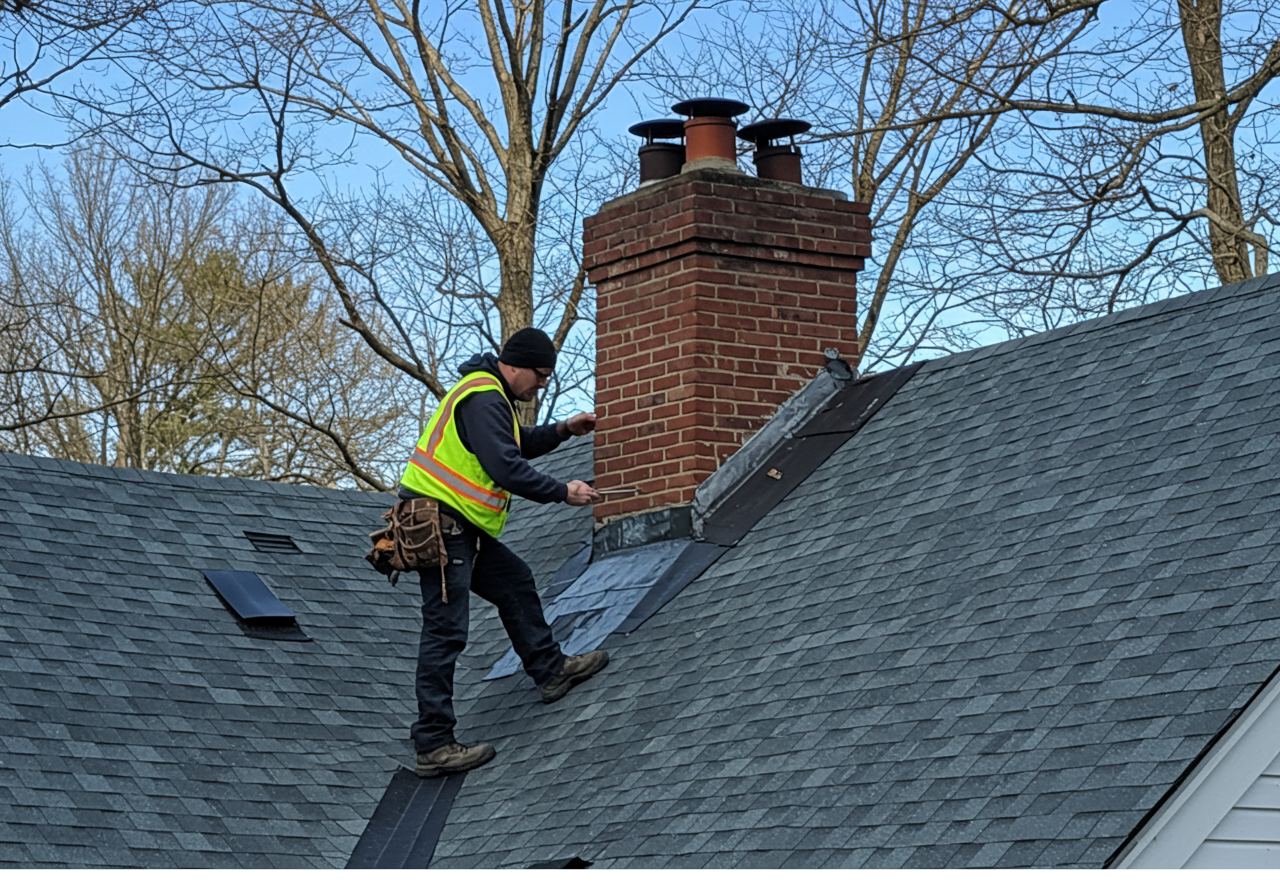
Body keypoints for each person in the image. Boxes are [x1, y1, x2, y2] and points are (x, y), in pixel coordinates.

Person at [398, 327, 607, 777]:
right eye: (541, 374)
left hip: (456, 527)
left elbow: (517, 443)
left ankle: (550, 670)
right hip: (442, 527)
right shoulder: (484, 397)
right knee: (445, 632)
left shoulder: (491, 396)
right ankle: (433, 744)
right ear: (516, 364)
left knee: (514, 581)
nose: (543, 384)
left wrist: (564, 430)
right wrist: (561, 491)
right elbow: (505, 466)